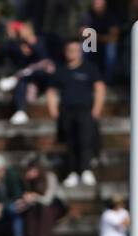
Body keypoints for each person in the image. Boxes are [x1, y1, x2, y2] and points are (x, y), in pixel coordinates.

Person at [48, 40, 105, 187]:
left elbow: (99, 88)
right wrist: (53, 109)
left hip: (85, 109)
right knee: (70, 141)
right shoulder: (60, 70)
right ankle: (72, 171)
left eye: (75, 50)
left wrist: (97, 108)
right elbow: (52, 91)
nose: (72, 53)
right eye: (69, 50)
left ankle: (85, 170)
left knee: (85, 140)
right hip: (66, 110)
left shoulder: (89, 68)